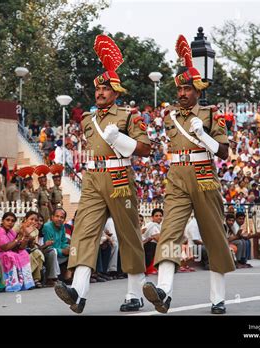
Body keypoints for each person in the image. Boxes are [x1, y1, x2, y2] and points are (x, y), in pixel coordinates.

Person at [54, 34, 151, 314]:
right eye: (98, 89)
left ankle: (134, 293)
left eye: (106, 89)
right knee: (84, 232)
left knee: (128, 235)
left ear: (116, 92)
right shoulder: (87, 119)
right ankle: (78, 291)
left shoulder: (128, 116)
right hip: (93, 178)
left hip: (120, 176)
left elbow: (144, 149)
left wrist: (120, 139)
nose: (100, 93)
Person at [143, 34, 235, 315]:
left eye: (187, 89)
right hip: (177, 175)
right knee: (169, 234)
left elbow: (223, 153)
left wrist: (202, 134)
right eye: (179, 89)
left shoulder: (210, 114)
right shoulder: (170, 115)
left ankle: (218, 298)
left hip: (205, 173)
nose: (182, 93)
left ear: (197, 90)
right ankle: (164, 292)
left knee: (213, 236)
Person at [0, 212, 35, 291]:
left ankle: (26, 283)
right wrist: (19, 238)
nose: (10, 222)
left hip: (5, 252)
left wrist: (26, 236)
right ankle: (11, 284)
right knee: (9, 255)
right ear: (2, 221)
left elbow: (19, 248)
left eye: (12, 221)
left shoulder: (11, 232)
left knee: (23, 253)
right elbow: (5, 247)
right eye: (8, 220)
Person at [43, 208, 71, 282]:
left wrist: (67, 247)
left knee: (73, 249)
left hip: (59, 254)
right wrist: (62, 251)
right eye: (57, 216)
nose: (59, 219)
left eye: (62, 217)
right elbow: (48, 247)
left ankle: (68, 275)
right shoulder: (47, 227)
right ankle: (52, 278)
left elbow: (64, 242)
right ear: (52, 217)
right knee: (53, 251)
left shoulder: (62, 227)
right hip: (48, 254)